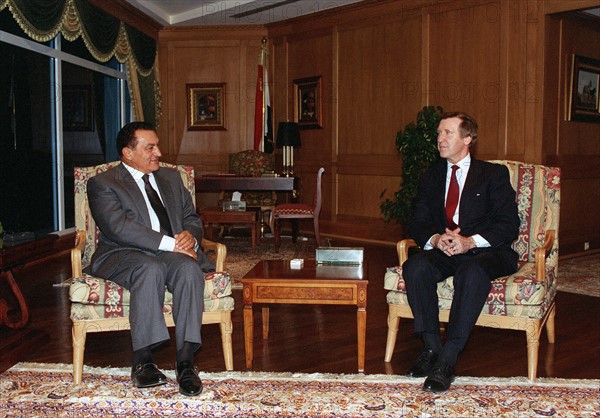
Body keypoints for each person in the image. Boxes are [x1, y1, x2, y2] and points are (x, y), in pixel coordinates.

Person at [86, 121, 214, 396]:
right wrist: (171, 243)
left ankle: (186, 361)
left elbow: (192, 218)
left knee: (189, 270)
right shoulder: (103, 183)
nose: (159, 152)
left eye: (157, 145)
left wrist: (189, 238)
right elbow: (118, 228)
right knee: (149, 267)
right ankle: (143, 361)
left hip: (171, 252)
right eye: (150, 147)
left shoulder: (171, 178)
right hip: (123, 253)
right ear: (127, 153)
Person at [403, 111, 520, 393]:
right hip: (447, 250)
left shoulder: (492, 174)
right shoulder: (430, 176)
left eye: (448, 133)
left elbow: (509, 224)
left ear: (467, 138)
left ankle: (448, 358)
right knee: (416, 266)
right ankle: (431, 349)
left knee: (472, 270)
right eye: (439, 134)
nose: (440, 139)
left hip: (487, 252)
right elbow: (416, 221)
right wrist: (435, 238)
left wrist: (470, 242)